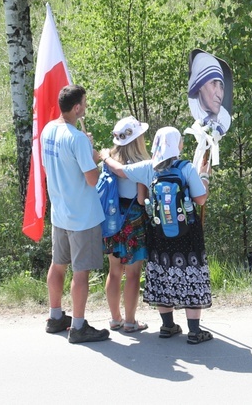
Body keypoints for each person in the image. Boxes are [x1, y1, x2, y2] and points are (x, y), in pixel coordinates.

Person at [102, 127, 213, 344]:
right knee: (191, 274)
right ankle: (194, 331)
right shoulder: (186, 167)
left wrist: (105, 156)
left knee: (163, 273)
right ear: (176, 145)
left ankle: (167, 326)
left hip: (159, 232)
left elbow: (120, 170)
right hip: (187, 233)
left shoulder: (148, 167)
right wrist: (205, 176)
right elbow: (201, 199)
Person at [41, 84, 109, 343]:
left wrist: (85, 149)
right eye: (85, 102)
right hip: (82, 215)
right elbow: (92, 179)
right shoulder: (77, 138)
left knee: (57, 265)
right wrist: (96, 158)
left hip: (60, 212)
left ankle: (55, 316)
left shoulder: (48, 130)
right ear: (77, 107)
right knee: (81, 272)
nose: (86, 105)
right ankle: (79, 327)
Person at [104, 116, 150, 333]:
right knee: (132, 274)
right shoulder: (139, 164)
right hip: (133, 219)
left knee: (114, 272)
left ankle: (115, 319)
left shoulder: (109, 159)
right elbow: (141, 199)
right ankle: (131, 321)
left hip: (112, 219)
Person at [188, 51, 231, 135]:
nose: (219, 94)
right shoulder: (189, 108)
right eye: (213, 83)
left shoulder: (224, 116)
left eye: (221, 86)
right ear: (200, 85)